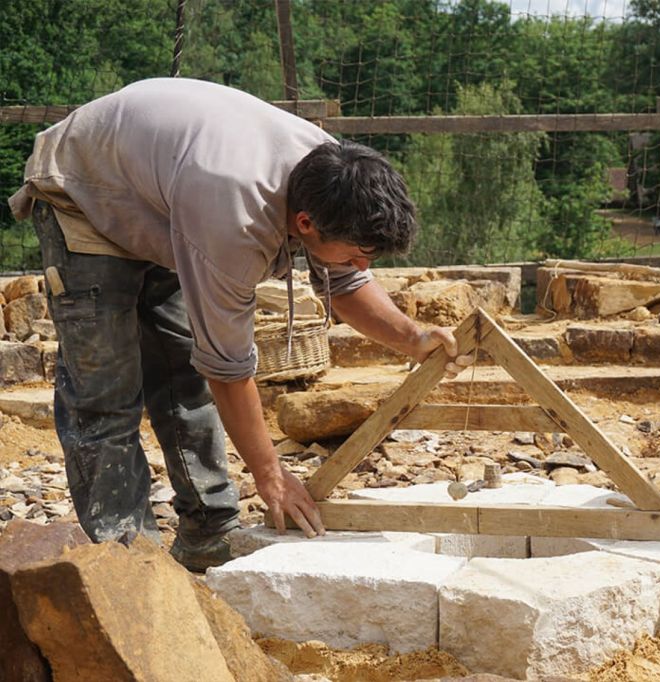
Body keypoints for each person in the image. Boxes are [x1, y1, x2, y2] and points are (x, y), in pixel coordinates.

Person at [7, 78, 471, 571]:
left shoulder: (335, 173)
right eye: (357, 253)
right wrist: (269, 474)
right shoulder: (234, 219)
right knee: (106, 393)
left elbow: (346, 283)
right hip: (87, 190)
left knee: (181, 376)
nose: (360, 264)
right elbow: (228, 369)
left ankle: (209, 531)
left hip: (165, 190)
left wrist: (412, 337)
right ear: (306, 223)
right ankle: (128, 567)